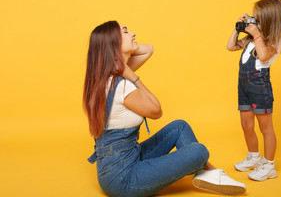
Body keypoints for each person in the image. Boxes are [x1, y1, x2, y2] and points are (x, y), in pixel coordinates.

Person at [83, 21, 246, 197]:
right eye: (126, 31)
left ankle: (209, 174)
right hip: (124, 178)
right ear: (114, 43)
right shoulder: (122, 85)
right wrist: (133, 76)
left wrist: (121, 58)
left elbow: (148, 49)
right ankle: (211, 174)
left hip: (123, 162)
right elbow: (156, 111)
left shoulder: (106, 77)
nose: (133, 33)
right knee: (199, 151)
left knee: (179, 127)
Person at [226, 0, 281, 181]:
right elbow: (230, 46)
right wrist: (238, 27)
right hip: (244, 85)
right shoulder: (250, 40)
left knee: (265, 127)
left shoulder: (274, 43)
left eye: (257, 19)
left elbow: (262, 56)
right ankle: (254, 157)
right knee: (246, 125)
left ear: (269, 21)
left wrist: (257, 35)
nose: (254, 21)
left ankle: (268, 165)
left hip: (259, 85)